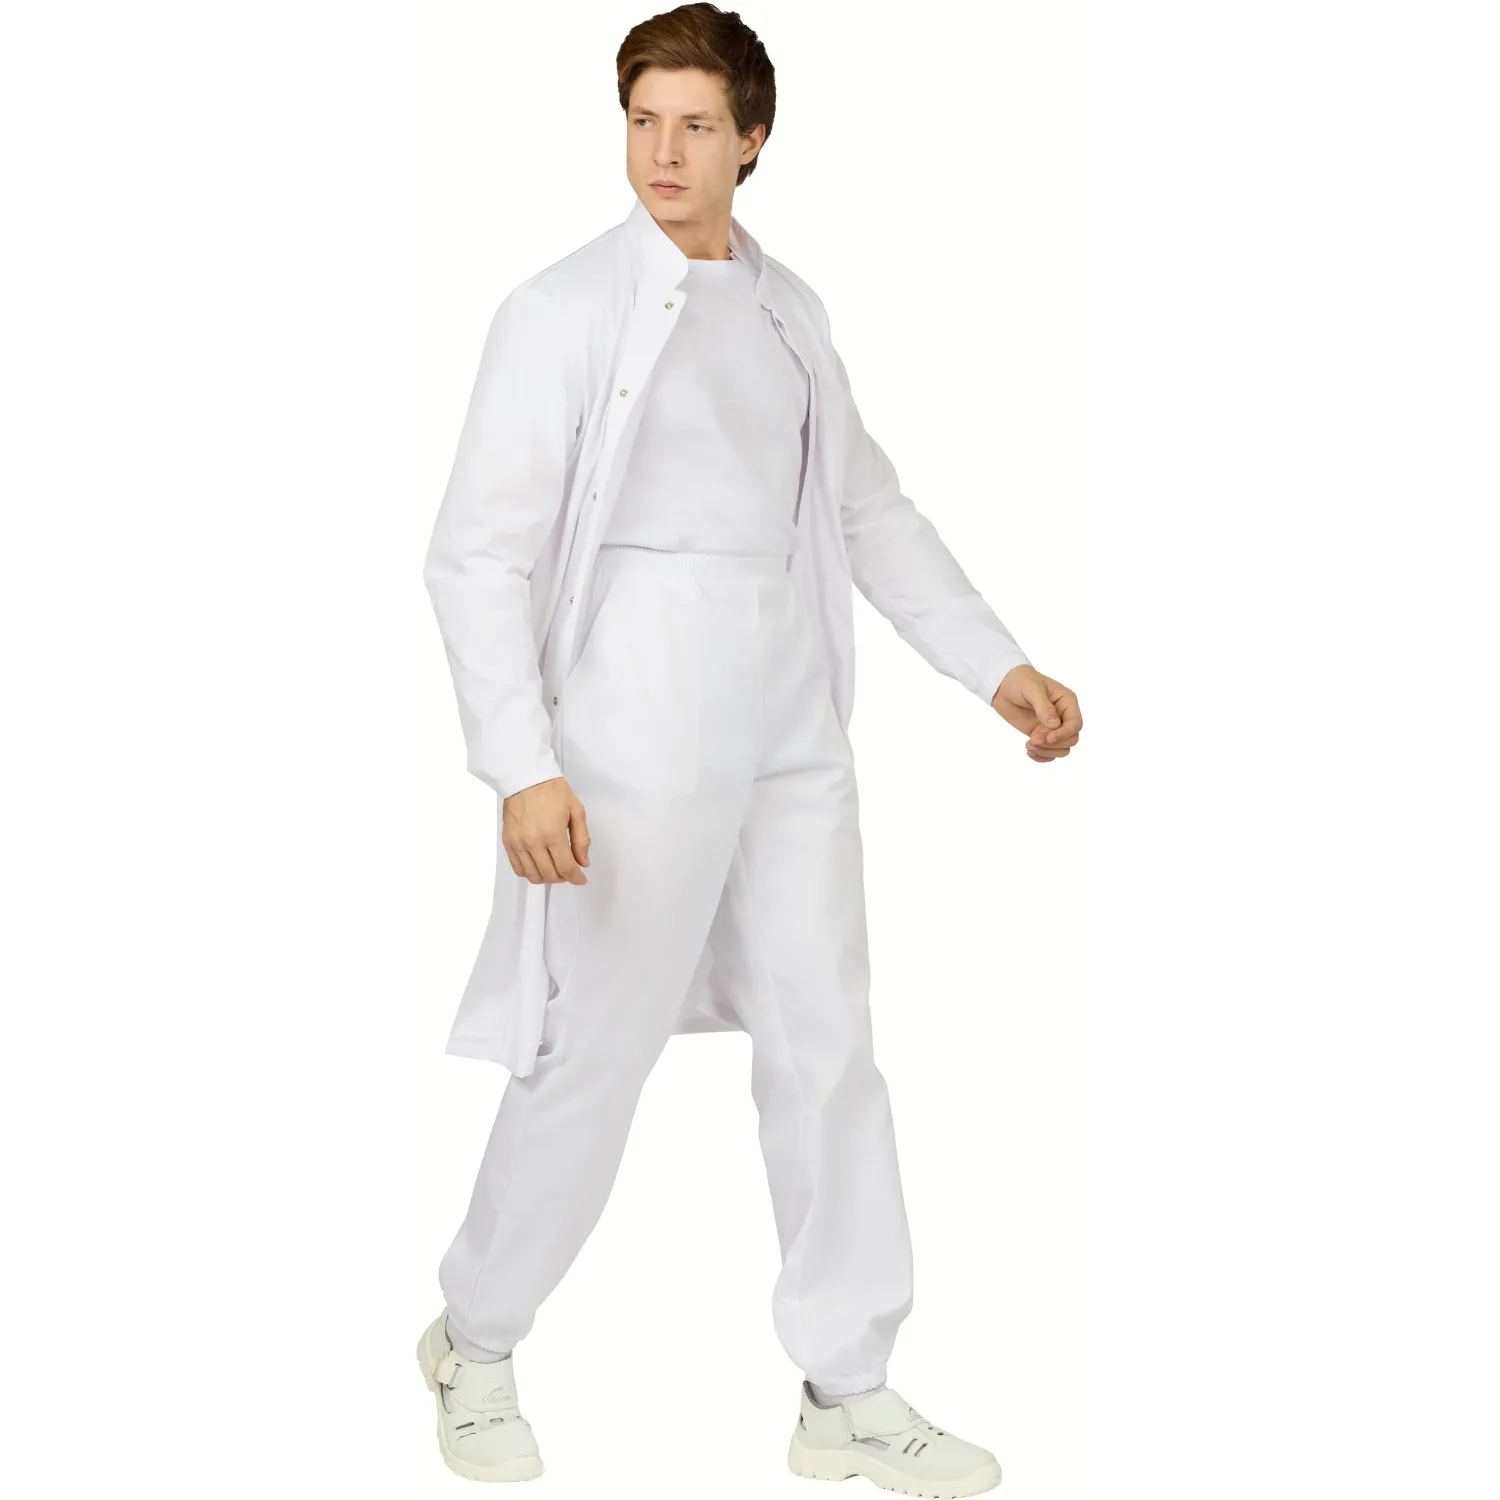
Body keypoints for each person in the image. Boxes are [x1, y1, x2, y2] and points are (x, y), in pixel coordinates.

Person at [415, 5, 1082, 1492]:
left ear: (754, 139)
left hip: (790, 717)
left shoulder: (792, 312)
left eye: (697, 125)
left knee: (828, 1043)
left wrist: (996, 664)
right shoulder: (560, 310)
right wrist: (522, 763)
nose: (663, 152)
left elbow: (865, 510)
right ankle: (477, 1335)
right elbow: (476, 555)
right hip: (630, 729)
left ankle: (847, 1385)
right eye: (642, 120)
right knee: (594, 1048)